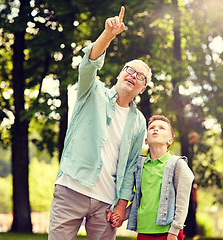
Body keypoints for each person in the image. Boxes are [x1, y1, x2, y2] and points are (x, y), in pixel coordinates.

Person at [48, 6, 152, 240]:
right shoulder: (92, 92)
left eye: (140, 76)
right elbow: (89, 64)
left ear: (142, 88)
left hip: (106, 202)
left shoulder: (138, 122)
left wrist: (122, 203)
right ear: (119, 74)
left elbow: (130, 168)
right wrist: (109, 34)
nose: (133, 76)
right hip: (71, 190)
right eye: (130, 70)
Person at [124, 115, 194, 240]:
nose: (155, 130)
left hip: (168, 232)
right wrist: (121, 215)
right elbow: (139, 200)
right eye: (151, 128)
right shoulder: (139, 166)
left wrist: (175, 230)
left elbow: (182, 202)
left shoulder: (178, 164)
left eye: (162, 128)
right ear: (146, 140)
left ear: (170, 140)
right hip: (143, 230)